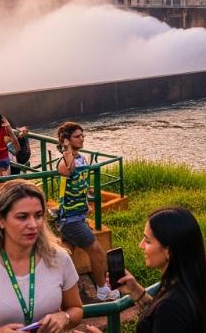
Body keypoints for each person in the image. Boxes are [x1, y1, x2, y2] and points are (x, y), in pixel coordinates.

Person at [0, 181, 83, 333]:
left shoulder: (60, 258)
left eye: (38, 215)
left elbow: (76, 309)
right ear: (0, 220)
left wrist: (64, 316)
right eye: (22, 217)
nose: (33, 225)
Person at [84, 207, 206, 333]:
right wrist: (135, 291)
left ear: (169, 251)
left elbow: (167, 314)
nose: (141, 245)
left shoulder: (170, 307)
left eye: (148, 241)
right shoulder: (198, 279)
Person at [55, 122, 119, 302]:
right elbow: (69, 171)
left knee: (65, 253)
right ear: (66, 140)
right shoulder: (63, 163)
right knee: (96, 251)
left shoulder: (83, 158)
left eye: (82, 135)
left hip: (78, 216)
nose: (82, 139)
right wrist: (66, 149)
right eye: (77, 136)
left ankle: (55, 287)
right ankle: (102, 290)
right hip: (69, 218)